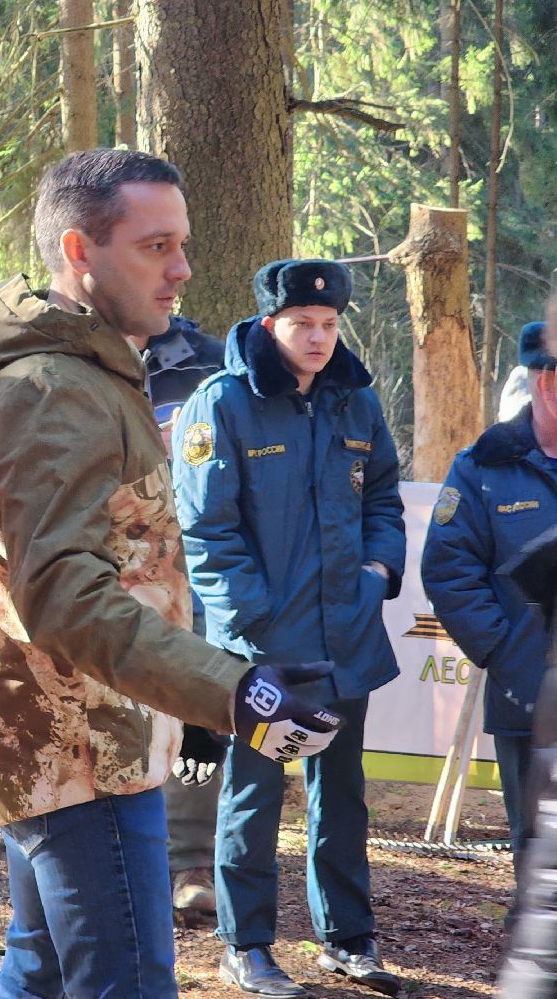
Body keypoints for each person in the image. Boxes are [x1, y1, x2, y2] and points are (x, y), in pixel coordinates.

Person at [0, 148, 342, 999]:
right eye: (155, 247)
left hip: (63, 738)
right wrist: (233, 692)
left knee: (36, 971)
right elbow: (65, 593)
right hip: (82, 748)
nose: (183, 270)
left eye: (181, 245)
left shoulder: (70, 371)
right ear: (80, 254)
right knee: (124, 983)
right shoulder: (54, 388)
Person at [174, 258, 406, 998]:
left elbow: (386, 501)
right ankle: (246, 946)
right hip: (265, 651)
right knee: (254, 795)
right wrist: (251, 628)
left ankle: (348, 939)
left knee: (342, 792)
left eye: (330, 325)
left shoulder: (354, 401)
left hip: (348, 640)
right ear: (270, 323)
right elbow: (206, 532)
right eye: (303, 324)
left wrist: (377, 575)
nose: (317, 338)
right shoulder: (223, 403)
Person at [422, 321, 557, 858]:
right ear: (547, 383)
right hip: (529, 696)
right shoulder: (483, 469)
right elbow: (451, 572)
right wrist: (507, 653)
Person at [137, 314, 228, 927]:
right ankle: (126, 862)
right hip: (98, 559)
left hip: (191, 555)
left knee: (193, 704)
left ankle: (192, 861)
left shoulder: (209, 361)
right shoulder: (67, 354)